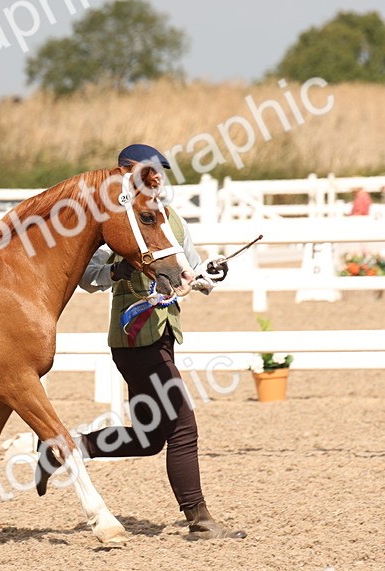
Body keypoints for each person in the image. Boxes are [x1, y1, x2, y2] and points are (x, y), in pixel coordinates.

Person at [37, 143, 246, 541]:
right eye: (147, 171)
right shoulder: (110, 223)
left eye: (158, 172)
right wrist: (118, 269)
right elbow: (88, 276)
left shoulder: (170, 220)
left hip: (164, 337)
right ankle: (199, 520)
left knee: (149, 438)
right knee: (184, 427)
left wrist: (210, 273)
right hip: (134, 340)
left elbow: (190, 272)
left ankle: (65, 448)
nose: (156, 179)